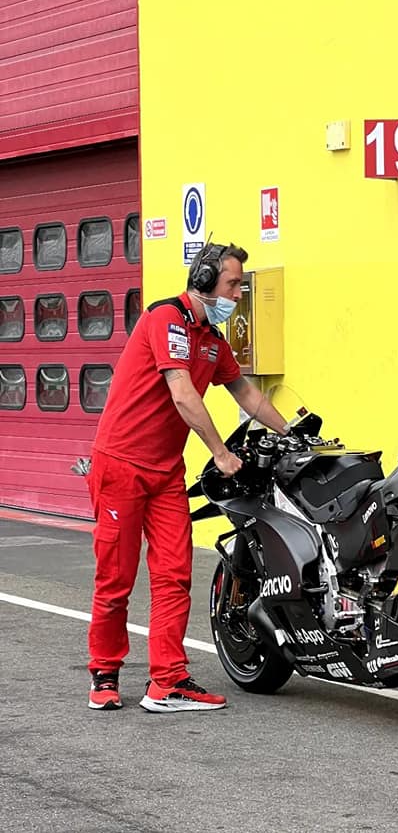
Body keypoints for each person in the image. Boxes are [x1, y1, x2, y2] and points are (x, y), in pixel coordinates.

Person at [86, 241, 291, 713]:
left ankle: (168, 682)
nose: (238, 293)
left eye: (241, 284)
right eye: (232, 284)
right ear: (203, 281)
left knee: (174, 576)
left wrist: (294, 433)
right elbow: (181, 393)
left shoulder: (212, 340)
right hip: (121, 465)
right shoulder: (166, 320)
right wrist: (219, 452)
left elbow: (246, 393)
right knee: (116, 578)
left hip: (164, 473)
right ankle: (104, 672)